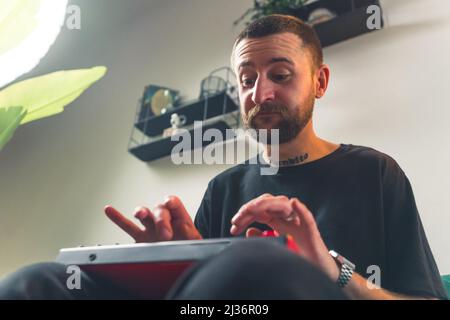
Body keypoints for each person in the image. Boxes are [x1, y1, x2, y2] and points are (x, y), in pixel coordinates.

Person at [0, 14, 447, 300]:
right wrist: (172, 265)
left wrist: (335, 272)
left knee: (261, 262)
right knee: (37, 282)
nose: (261, 92)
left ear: (320, 82)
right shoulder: (224, 188)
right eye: (247, 78)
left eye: (281, 74)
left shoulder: (374, 173)